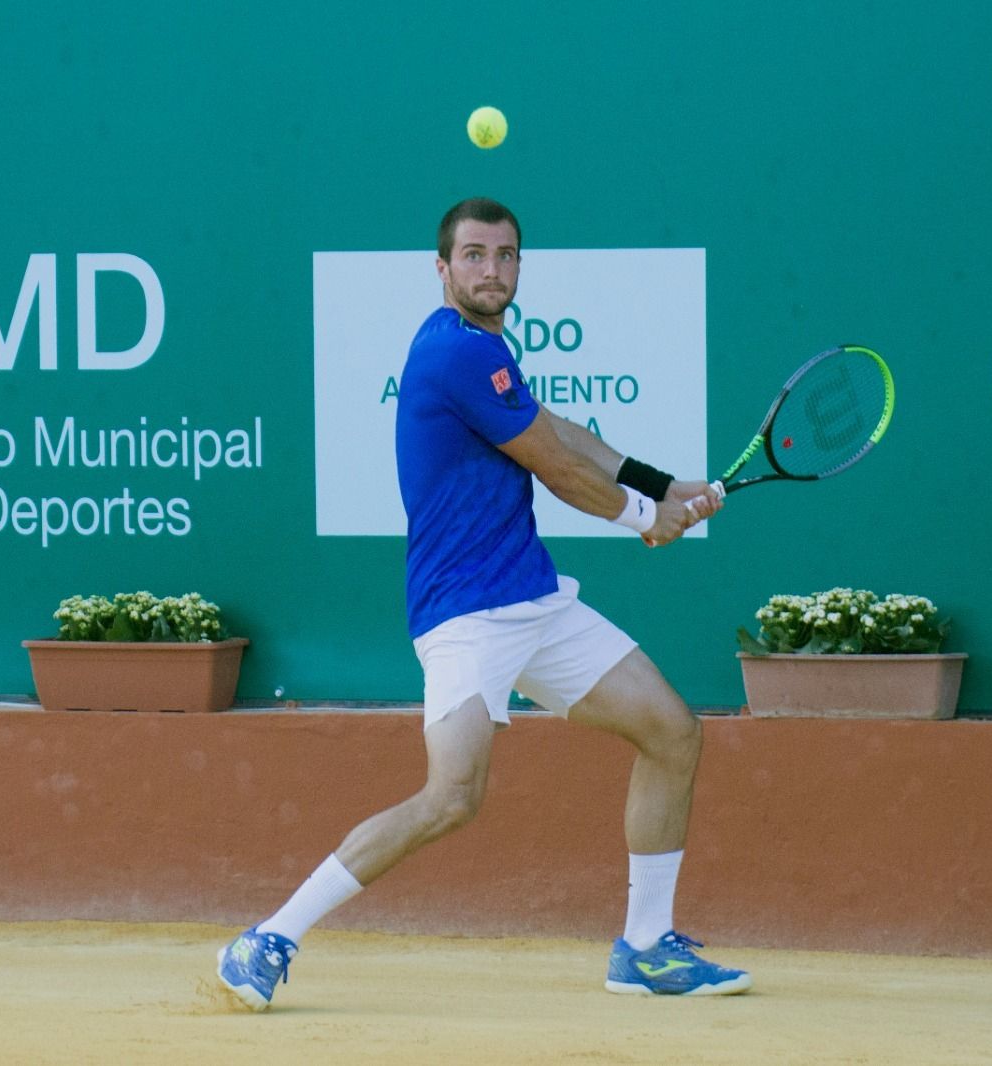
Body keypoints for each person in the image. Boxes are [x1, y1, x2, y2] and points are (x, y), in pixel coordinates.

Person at [217, 197, 750, 1009]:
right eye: (473, 255)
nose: (490, 269)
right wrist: (647, 518)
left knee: (672, 733)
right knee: (452, 798)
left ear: (519, 267)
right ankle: (267, 938)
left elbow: (559, 430)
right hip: (464, 613)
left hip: (534, 600)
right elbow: (555, 468)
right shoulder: (454, 352)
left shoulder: (489, 350)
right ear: (442, 268)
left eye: (504, 256)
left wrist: (661, 484)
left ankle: (645, 949)